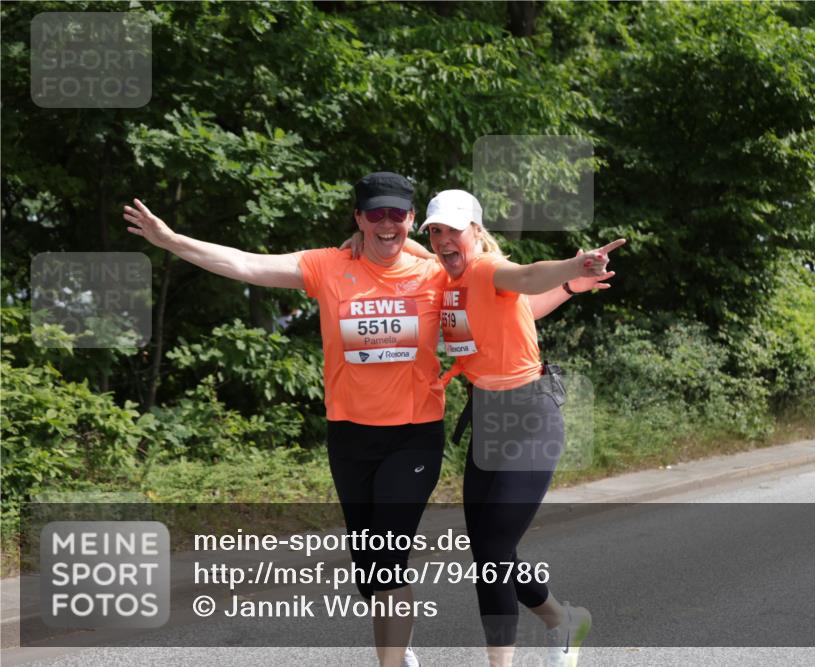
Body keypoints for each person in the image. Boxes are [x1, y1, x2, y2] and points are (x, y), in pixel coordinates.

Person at [125, 172, 445, 667]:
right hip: (350, 436)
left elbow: (499, 277)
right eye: (375, 214)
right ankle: (398, 649)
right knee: (368, 571)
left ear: (412, 219)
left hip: (414, 436)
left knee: (388, 558)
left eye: (397, 215)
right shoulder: (328, 266)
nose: (387, 223)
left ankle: (390, 660)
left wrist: (568, 280)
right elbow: (246, 264)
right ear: (358, 218)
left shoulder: (436, 274)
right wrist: (171, 241)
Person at [420, 190, 624, 667]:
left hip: (530, 418)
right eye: (435, 231)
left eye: (453, 230)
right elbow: (523, 308)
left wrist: (574, 266)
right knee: (489, 553)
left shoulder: (488, 267)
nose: (443, 240)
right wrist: (572, 287)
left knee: (493, 549)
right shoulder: (448, 279)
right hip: (488, 418)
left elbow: (528, 277)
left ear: (476, 231)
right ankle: (562, 620)